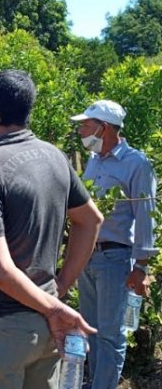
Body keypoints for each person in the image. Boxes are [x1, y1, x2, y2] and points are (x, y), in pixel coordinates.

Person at [0, 69, 103, 388]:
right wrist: (58, 290)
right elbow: (91, 221)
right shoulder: (54, 156)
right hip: (45, 327)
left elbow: (0, 271)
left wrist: (53, 307)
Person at [71, 100, 158, 389]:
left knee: (111, 334)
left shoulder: (136, 163)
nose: (81, 130)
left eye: (85, 125)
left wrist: (141, 267)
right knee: (91, 330)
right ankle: (97, 382)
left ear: (103, 127)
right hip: (88, 257)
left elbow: (146, 216)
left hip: (115, 259)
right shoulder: (94, 160)